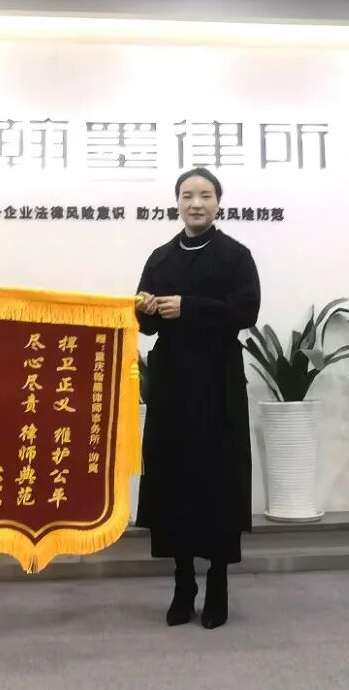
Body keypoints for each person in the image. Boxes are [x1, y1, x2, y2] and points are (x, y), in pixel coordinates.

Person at [134, 167, 260, 629]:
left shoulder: (235, 255)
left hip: (218, 381)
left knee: (217, 481)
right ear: (177, 203)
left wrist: (189, 306)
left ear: (218, 202)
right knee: (174, 481)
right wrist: (144, 308)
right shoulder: (161, 257)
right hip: (172, 384)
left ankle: (219, 583)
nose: (196, 203)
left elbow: (246, 310)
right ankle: (183, 584)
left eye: (205, 195)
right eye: (187, 195)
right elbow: (147, 325)